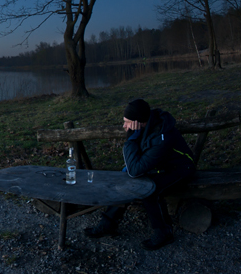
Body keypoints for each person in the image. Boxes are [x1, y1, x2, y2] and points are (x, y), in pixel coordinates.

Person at [84, 98, 196, 250]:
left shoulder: (161, 137)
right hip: (159, 166)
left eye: (127, 122)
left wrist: (130, 140)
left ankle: (164, 233)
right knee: (126, 181)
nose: (124, 126)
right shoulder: (147, 127)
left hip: (180, 169)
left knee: (149, 190)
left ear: (138, 122)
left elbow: (135, 169)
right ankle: (107, 224)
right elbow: (135, 166)